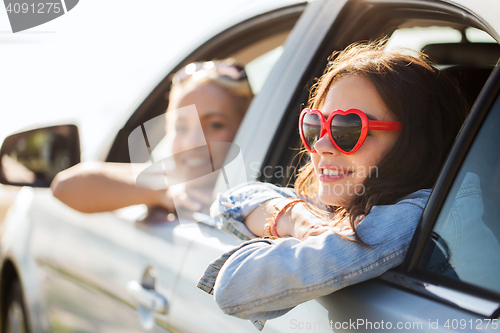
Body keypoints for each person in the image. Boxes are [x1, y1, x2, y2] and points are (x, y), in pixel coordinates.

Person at [197, 41, 467, 330]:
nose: (322, 145)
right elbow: (231, 202)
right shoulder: (354, 201)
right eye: (315, 125)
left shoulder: (413, 216)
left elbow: (235, 289)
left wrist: (295, 225)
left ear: (416, 141)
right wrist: (301, 221)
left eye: (348, 129)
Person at [50, 60, 253, 217]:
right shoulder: (173, 179)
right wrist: (162, 193)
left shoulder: (259, 199)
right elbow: (65, 186)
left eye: (214, 125)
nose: (192, 143)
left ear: (249, 127)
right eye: (181, 127)